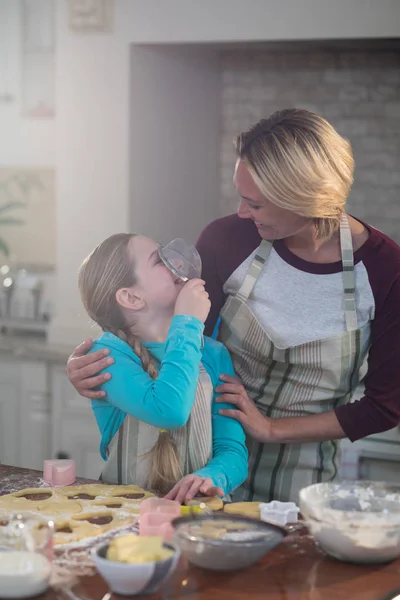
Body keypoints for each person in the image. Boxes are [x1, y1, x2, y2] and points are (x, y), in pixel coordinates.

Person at [67, 109, 400, 504]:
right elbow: (169, 342)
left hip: (299, 481)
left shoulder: (385, 270)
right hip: (193, 473)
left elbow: (384, 406)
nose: (242, 212)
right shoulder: (229, 240)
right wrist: (89, 366)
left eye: (255, 204)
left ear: (304, 199)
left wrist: (271, 429)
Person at [76, 232, 248, 503]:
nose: (176, 263)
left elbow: (232, 450)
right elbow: (169, 410)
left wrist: (212, 477)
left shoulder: (213, 354)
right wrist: (188, 322)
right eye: (159, 260)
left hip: (197, 521)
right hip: (124, 520)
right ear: (131, 298)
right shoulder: (107, 357)